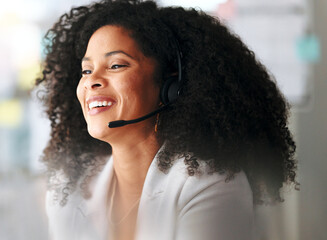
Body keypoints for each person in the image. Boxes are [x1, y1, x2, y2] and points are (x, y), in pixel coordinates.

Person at [35, 0, 298, 239]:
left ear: (169, 87)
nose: (92, 81)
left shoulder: (210, 184)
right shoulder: (68, 187)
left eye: (116, 65)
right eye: (86, 70)